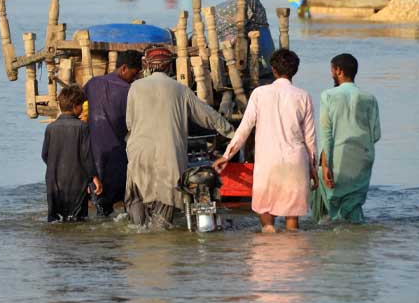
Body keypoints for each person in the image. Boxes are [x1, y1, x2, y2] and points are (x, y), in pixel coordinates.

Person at [125, 47, 235, 227]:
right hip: (169, 155)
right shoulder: (180, 89)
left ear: (148, 66)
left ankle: (138, 237)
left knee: (137, 204)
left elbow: (129, 123)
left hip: (139, 153)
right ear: (170, 67)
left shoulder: (135, 87)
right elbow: (208, 116)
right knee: (164, 210)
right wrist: (233, 133)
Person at [214, 49, 317, 233]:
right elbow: (310, 139)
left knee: (266, 215)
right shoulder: (303, 96)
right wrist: (313, 170)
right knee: (292, 220)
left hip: (268, 163)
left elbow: (244, 128)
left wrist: (227, 155)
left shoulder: (260, 94)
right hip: (295, 162)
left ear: (273, 69)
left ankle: (267, 250)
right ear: (295, 70)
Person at [311, 54, 381, 224]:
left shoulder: (328, 96)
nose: (331, 74)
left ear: (339, 71)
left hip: (338, 156)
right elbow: (376, 134)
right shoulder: (370, 98)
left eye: (332, 70)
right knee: (354, 205)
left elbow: (326, 134)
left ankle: (337, 244)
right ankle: (357, 245)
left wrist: (326, 164)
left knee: (332, 206)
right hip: (363, 157)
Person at [84, 51, 143, 216]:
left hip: (93, 155)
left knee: (101, 204)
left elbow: (80, 104)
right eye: (134, 73)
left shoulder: (93, 83)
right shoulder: (129, 91)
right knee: (124, 201)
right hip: (117, 154)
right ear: (124, 68)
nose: (135, 77)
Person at [42, 85, 103, 222]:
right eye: (81, 105)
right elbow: (86, 156)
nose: (82, 109)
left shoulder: (50, 128)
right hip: (76, 182)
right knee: (77, 220)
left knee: (55, 220)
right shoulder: (82, 127)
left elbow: (45, 155)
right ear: (75, 106)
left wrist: (56, 167)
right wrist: (94, 178)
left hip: (54, 182)